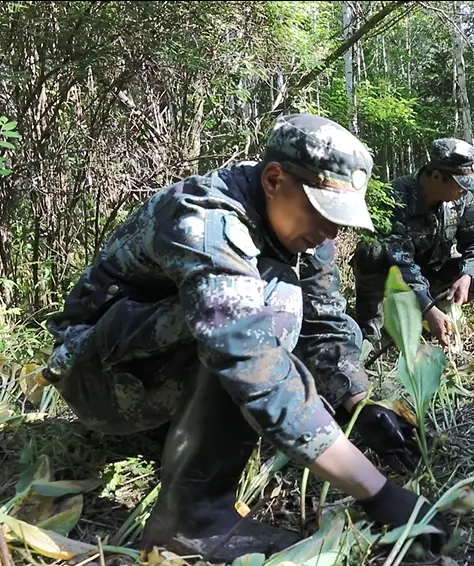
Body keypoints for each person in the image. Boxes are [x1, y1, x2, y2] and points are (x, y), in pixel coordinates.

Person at [41, 114, 449, 562]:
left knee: (296, 307)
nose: (331, 231)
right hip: (98, 377)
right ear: (275, 179)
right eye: (322, 212)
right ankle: (190, 522)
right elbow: (249, 355)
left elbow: (326, 324)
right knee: (273, 304)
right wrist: (377, 491)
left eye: (340, 219)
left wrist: (357, 402)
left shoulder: (302, 233)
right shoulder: (205, 222)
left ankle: (176, 442)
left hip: (153, 372)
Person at [352, 138, 474, 346]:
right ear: (437, 176)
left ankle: (429, 319)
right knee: (371, 252)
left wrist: (468, 275)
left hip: (432, 274)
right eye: (460, 185)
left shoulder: (461, 198)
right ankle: (372, 330)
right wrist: (427, 307)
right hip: (394, 281)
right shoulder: (396, 197)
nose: (464, 192)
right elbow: (401, 264)